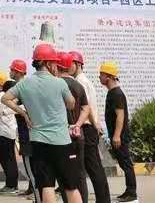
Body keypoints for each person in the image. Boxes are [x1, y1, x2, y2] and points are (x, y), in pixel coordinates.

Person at [1, 44, 80, 203]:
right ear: (48, 63)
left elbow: (5, 98)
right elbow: (71, 104)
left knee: (46, 186)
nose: (56, 66)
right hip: (61, 141)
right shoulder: (59, 83)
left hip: (38, 142)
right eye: (54, 63)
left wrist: (24, 113)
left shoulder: (24, 84)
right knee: (70, 186)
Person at [70, 51, 110, 203]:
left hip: (87, 128)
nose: (67, 67)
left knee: (93, 168)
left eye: (70, 64)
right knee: (94, 167)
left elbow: (87, 109)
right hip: (89, 127)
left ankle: (103, 200)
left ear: (78, 64)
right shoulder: (82, 80)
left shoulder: (80, 82)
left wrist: (95, 125)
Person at [99, 62, 137, 202]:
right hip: (117, 135)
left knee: (126, 163)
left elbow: (120, 116)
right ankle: (129, 190)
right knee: (123, 163)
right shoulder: (112, 93)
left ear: (108, 77)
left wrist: (116, 135)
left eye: (101, 75)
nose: (99, 77)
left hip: (120, 136)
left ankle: (132, 193)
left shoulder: (117, 94)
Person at [55, 52, 89, 203]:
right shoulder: (78, 85)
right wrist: (78, 124)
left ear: (57, 66)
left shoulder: (56, 85)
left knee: (64, 175)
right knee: (80, 174)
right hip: (78, 135)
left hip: (62, 136)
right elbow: (86, 108)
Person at [9, 59, 36, 199]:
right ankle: (32, 188)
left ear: (18, 72)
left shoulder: (21, 86)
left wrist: (21, 111)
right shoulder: (26, 85)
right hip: (26, 127)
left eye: (12, 70)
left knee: (29, 158)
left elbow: (10, 102)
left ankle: (35, 190)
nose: (10, 72)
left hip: (27, 128)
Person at [0, 73, 20, 196]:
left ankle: (11, 185)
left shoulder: (1, 96)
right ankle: (12, 184)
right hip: (8, 131)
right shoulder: (5, 96)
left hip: (3, 131)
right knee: (10, 159)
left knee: (6, 160)